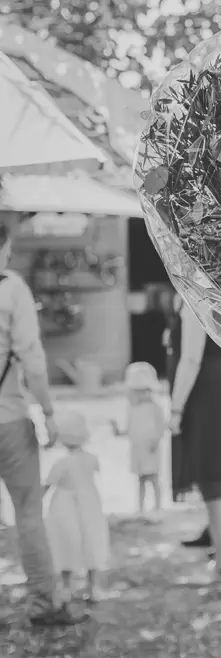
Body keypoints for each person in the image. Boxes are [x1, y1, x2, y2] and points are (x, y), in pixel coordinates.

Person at [0, 223, 85, 627]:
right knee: (29, 512)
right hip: (9, 419)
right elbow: (31, 357)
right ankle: (43, 602)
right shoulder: (11, 287)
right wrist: (48, 411)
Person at [170, 302, 221, 593]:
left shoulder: (196, 300)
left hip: (206, 398)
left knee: (213, 488)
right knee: (216, 488)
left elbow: (191, 358)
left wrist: (176, 408)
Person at [43, 410, 109, 603]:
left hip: (64, 505)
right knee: (92, 539)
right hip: (89, 503)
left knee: (65, 541)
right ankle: (93, 586)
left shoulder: (61, 463)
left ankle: (66, 587)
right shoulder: (91, 459)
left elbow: (47, 485)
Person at [112, 362, 166, 517]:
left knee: (153, 477)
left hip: (150, 447)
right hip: (138, 449)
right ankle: (141, 507)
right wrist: (117, 431)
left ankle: (157, 506)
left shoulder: (155, 407)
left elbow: (161, 426)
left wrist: (156, 440)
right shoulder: (132, 409)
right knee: (141, 479)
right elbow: (130, 430)